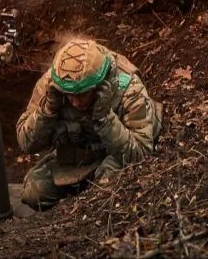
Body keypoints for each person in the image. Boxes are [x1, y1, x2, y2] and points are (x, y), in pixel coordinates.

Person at [16, 37, 162, 210]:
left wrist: (105, 118)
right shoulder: (53, 83)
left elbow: (142, 153)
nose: (75, 102)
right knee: (34, 194)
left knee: (106, 193)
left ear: (100, 85)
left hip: (113, 156)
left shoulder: (128, 88)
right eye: (69, 95)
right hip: (74, 158)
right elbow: (25, 143)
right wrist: (47, 111)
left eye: (82, 94)